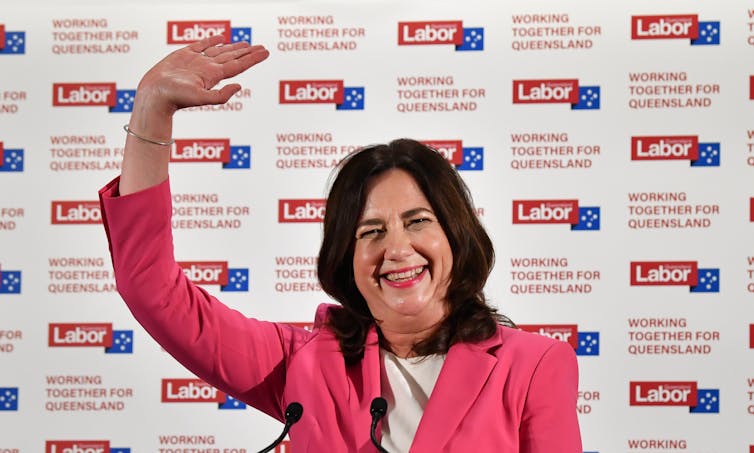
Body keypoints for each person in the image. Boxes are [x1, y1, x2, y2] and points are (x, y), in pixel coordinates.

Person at [99, 35, 582, 452]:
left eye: (417, 222)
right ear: (346, 258)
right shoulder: (302, 362)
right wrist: (153, 109)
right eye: (370, 232)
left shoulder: (535, 366)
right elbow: (152, 290)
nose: (396, 249)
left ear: (456, 235)